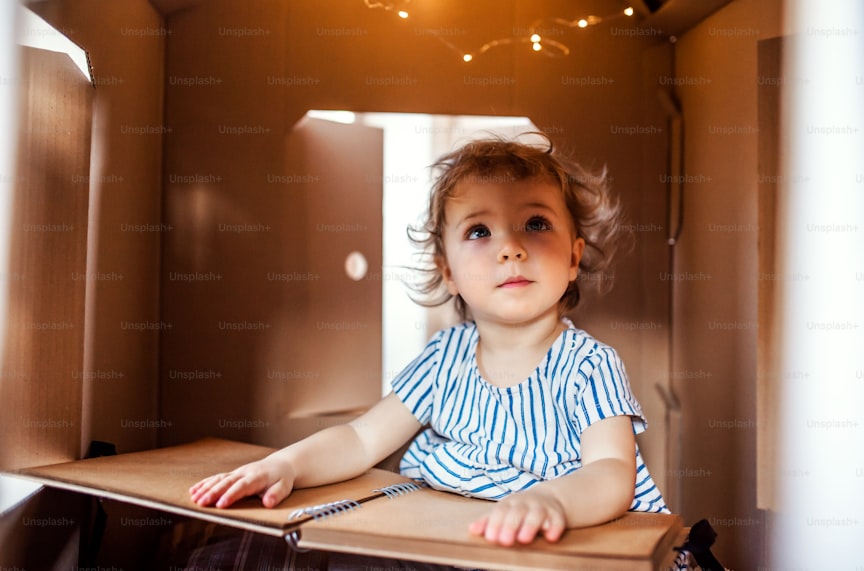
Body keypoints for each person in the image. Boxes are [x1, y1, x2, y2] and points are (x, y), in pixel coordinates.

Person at [189, 136, 668, 554]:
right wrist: (286, 464)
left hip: (547, 546)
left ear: (573, 258)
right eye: (479, 230)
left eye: (536, 223)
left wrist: (553, 501)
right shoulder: (444, 358)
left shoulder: (588, 365)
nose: (510, 247)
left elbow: (610, 472)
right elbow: (361, 440)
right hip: (445, 535)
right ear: (449, 273)